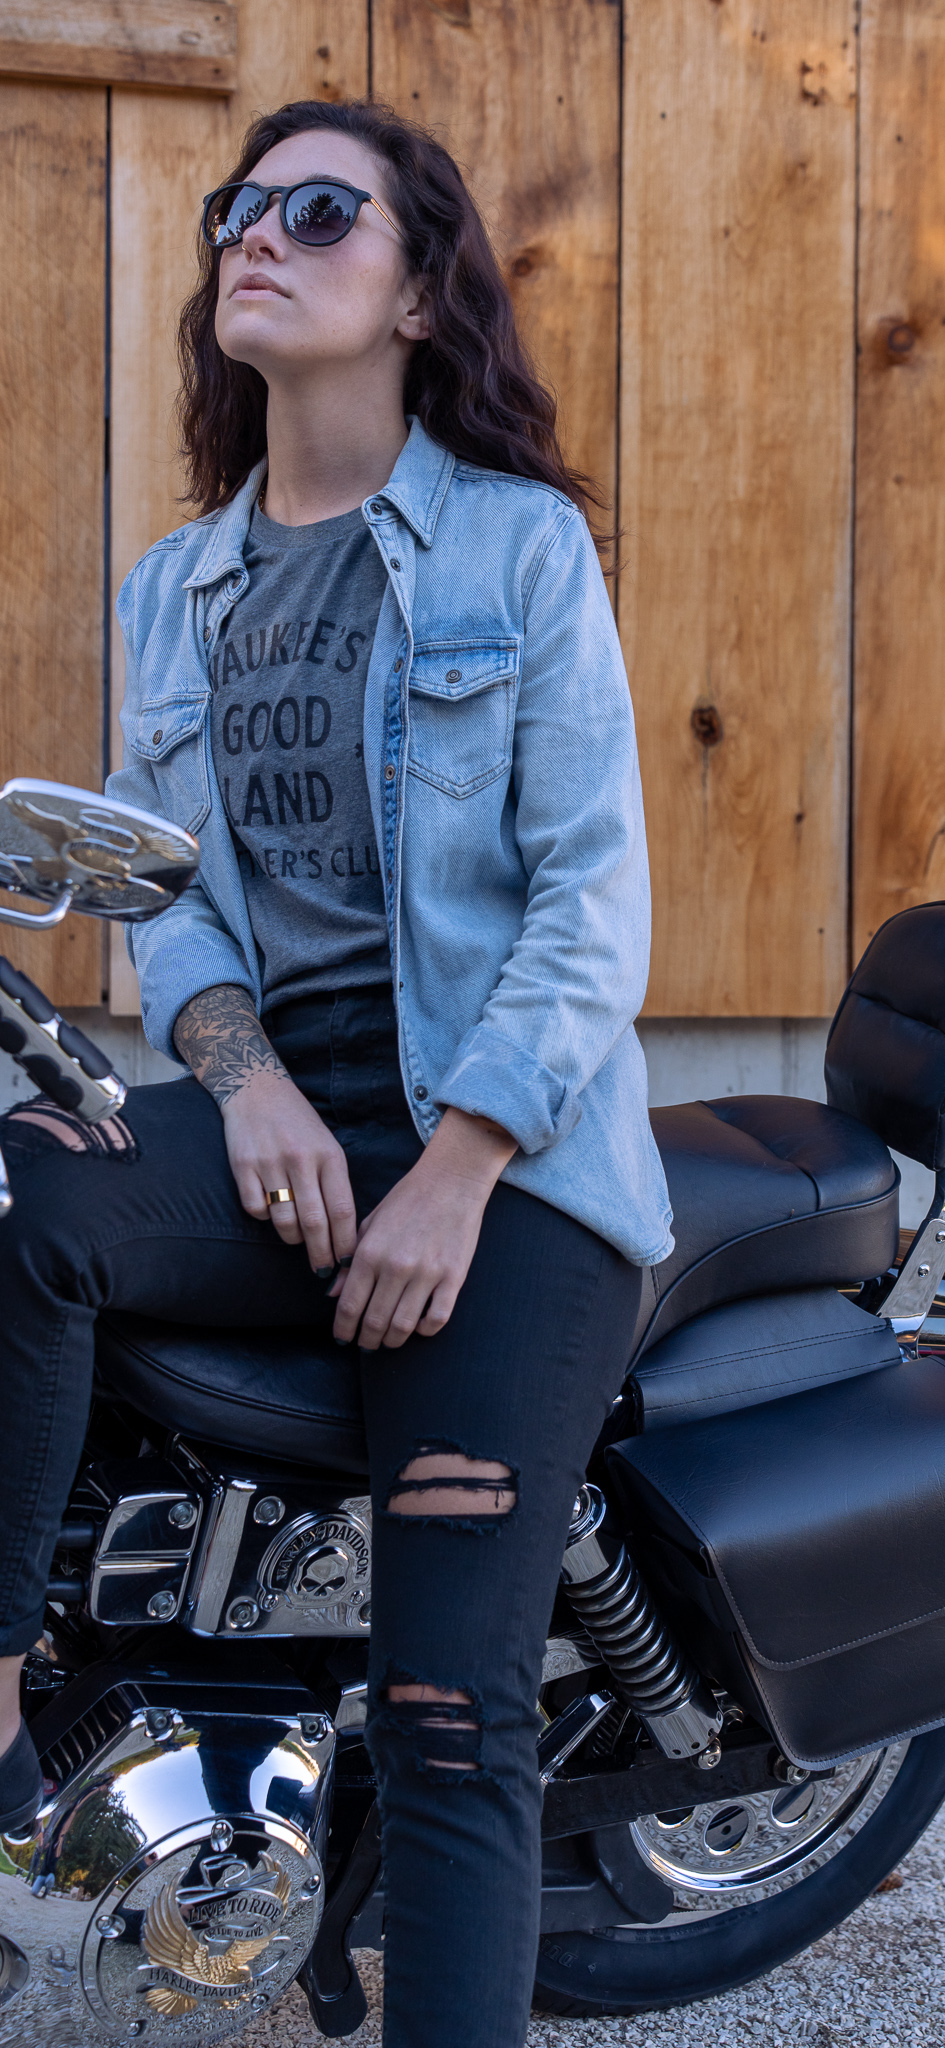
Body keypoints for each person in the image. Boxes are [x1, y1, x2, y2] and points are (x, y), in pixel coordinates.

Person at [0, 97, 671, 2046]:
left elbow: (592, 902)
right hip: (287, 1130)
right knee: (25, 1180)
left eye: (317, 211)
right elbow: (175, 900)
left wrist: (455, 1167)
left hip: (509, 1159)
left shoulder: (517, 550)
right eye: (242, 207)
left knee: (452, 1712)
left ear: (417, 293)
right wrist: (243, 1084)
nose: (257, 235)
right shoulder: (179, 585)